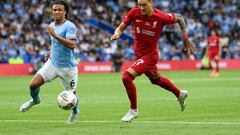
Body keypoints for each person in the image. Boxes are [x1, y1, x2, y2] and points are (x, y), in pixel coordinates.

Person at [111, 0, 196, 122]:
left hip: (150, 56)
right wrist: (117, 33)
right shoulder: (134, 12)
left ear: (151, 3)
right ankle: (179, 94)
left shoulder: (161, 17)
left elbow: (180, 18)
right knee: (156, 80)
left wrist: (185, 38)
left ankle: (133, 110)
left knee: (126, 77)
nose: (141, 8)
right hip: (139, 55)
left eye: (144, 5)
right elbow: (120, 27)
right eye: (139, 4)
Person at [20, 0, 79, 124]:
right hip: (52, 64)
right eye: (54, 10)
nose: (56, 12)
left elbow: (72, 45)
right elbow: (55, 43)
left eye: (59, 10)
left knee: (72, 95)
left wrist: (55, 35)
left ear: (65, 11)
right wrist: (49, 51)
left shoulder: (70, 26)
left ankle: (75, 112)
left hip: (68, 69)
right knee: (33, 85)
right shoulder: (52, 24)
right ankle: (35, 100)